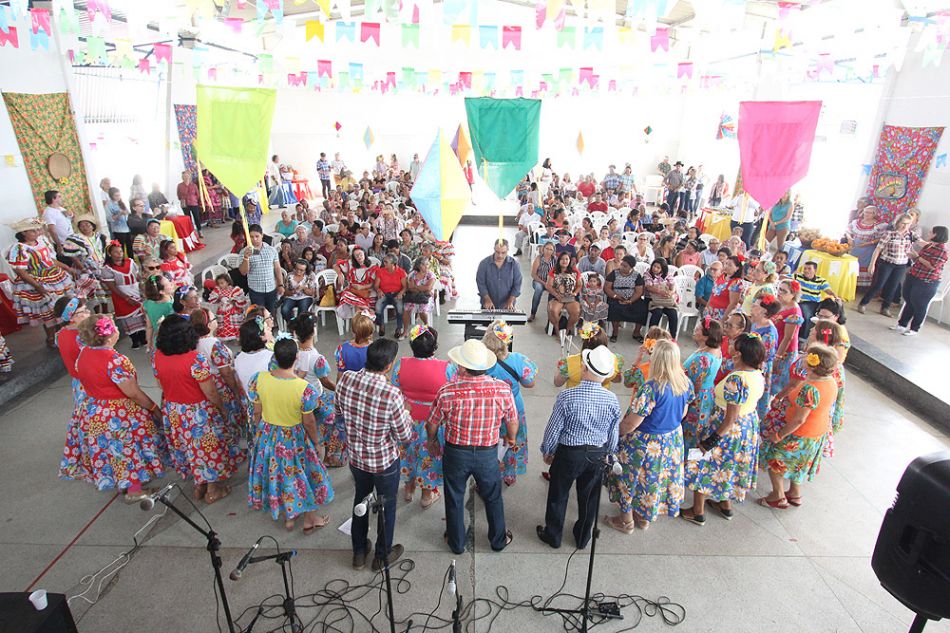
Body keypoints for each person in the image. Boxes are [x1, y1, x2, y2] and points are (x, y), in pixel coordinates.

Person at [59, 315, 166, 502]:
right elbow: (133, 393)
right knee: (128, 451)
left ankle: (124, 484)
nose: (118, 329)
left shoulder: (83, 354)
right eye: (115, 327)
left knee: (112, 451)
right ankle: (134, 491)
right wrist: (154, 408)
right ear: (109, 337)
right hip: (118, 414)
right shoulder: (115, 360)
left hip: (95, 410)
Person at [427, 339, 517, 555]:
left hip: (456, 453)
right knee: (493, 495)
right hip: (487, 454)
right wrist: (511, 437)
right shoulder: (502, 389)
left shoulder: (447, 391)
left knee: (455, 496)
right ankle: (498, 540)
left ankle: (456, 542)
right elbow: (512, 420)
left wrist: (432, 441)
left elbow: (432, 423)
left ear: (462, 366)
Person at [337, 339, 413, 571]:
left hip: (356, 458)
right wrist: (407, 414)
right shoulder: (392, 394)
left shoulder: (346, 380)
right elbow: (404, 435)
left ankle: (359, 552)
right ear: (389, 365)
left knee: (360, 499)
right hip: (384, 462)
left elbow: (339, 412)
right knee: (386, 506)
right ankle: (382, 555)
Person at [248, 335, 334, 532]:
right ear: (296, 358)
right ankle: (310, 520)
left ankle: (289, 516)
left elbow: (257, 412)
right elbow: (309, 422)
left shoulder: (258, 379)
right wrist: (316, 442)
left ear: (275, 358)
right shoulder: (304, 389)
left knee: (279, 475)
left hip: (268, 435)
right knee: (306, 476)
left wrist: (260, 432)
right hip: (293, 438)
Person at [537, 345, 620, 547]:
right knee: (589, 497)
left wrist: (548, 450)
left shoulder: (567, 396)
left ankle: (553, 535)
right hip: (597, 454)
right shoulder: (612, 399)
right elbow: (613, 433)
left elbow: (553, 428)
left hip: (569, 453)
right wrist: (610, 454)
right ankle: (582, 537)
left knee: (558, 494)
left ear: (584, 368)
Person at [606, 340, 692, 532]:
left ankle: (626, 521)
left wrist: (614, 433)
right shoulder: (685, 382)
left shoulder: (651, 388)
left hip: (645, 442)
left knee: (629, 479)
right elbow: (683, 412)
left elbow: (631, 423)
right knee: (653, 480)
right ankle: (644, 517)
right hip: (671, 440)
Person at [682, 333, 766, 525]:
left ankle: (697, 511)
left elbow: (731, 417)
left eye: (734, 345)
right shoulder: (757, 374)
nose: (730, 345)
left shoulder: (736, 380)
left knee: (703, 464)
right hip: (747, 425)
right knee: (728, 465)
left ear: (738, 353)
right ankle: (725, 505)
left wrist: (710, 441)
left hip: (726, 427)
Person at [153, 314, 238, 503]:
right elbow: (210, 392)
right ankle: (212, 489)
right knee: (207, 448)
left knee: (187, 447)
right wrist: (221, 408)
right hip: (197, 412)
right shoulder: (195, 359)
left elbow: (160, 384)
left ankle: (199, 484)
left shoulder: (156, 356)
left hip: (173, 410)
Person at [758, 343, 839, 509]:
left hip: (800, 433)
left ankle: (778, 496)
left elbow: (799, 420)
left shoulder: (810, 389)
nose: (802, 358)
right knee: (799, 463)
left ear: (813, 364)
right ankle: (794, 493)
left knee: (775, 460)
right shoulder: (831, 382)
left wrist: (779, 435)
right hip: (817, 433)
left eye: (806, 356)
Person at [391, 325, 454, 509]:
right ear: (434, 347)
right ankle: (426, 495)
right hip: (433, 423)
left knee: (407, 453)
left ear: (412, 345)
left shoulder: (401, 365)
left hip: (407, 420)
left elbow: (395, 389)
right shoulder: (446, 368)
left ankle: (408, 488)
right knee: (429, 457)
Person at [482, 321, 538, 487]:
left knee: (490, 442)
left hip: (488, 409)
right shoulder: (518, 359)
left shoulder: (481, 361)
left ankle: (488, 473)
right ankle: (509, 473)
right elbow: (530, 383)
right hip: (513, 408)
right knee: (512, 440)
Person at [7, 217, 75, 347]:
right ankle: (51, 338)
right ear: (23, 233)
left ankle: (63, 333)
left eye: (38, 229)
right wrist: (38, 286)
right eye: (33, 231)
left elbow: (50, 260)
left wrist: (66, 267)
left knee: (61, 306)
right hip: (36, 281)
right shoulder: (18, 248)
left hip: (55, 278)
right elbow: (20, 271)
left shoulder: (42, 242)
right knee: (47, 311)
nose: (37, 232)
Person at [192, 309, 245, 451]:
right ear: (209, 325)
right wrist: (235, 389)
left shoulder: (193, 343)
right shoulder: (214, 345)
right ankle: (234, 447)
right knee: (228, 414)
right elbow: (225, 372)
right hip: (220, 385)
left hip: (204, 383)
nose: (217, 320)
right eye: (214, 318)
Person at [857, 213, 915, 317]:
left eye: (908, 224)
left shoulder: (910, 235)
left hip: (901, 264)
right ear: (898, 223)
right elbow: (878, 249)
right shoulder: (889, 234)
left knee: (893, 286)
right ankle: (863, 303)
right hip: (886, 263)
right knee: (879, 284)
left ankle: (885, 307)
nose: (905, 226)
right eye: (903, 223)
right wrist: (872, 264)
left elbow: (922, 242)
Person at [893, 226, 948, 336]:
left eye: (931, 232)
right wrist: (913, 256)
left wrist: (917, 257)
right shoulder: (929, 246)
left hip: (927, 281)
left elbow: (933, 266)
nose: (929, 233)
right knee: (909, 300)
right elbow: (920, 260)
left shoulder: (942, 251)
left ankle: (914, 328)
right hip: (914, 275)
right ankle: (902, 325)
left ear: (937, 234)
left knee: (919, 304)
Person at [682, 318, 723, 449]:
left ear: (706, 336)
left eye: (699, 329)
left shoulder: (703, 359)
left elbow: (696, 384)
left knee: (689, 431)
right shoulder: (715, 350)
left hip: (697, 398)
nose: (695, 330)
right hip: (707, 395)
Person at [101, 241, 147, 349]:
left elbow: (137, 277)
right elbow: (112, 287)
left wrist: (143, 287)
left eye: (121, 251)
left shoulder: (130, 262)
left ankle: (143, 337)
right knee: (128, 318)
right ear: (110, 254)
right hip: (121, 296)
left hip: (136, 292)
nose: (119, 254)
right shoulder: (107, 269)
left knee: (140, 315)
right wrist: (126, 298)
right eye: (116, 252)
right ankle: (134, 340)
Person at [62, 213, 109, 311]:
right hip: (84, 269)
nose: (85, 227)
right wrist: (83, 268)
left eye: (87, 224)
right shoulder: (75, 238)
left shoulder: (100, 237)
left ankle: (106, 313)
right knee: (92, 292)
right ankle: (97, 313)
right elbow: (73, 256)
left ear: (93, 226)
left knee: (104, 292)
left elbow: (106, 251)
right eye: (82, 225)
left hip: (100, 267)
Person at [234, 312, 276, 421]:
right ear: (261, 337)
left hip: (249, 407)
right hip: (269, 408)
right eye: (266, 329)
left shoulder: (238, 358)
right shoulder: (271, 357)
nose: (270, 330)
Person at [240, 224, 283, 316]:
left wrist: (280, 284)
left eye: (257, 236)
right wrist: (246, 258)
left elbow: (277, 268)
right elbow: (243, 272)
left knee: (271, 315)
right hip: (256, 290)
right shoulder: (244, 252)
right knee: (259, 316)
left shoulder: (271, 250)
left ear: (262, 235)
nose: (254, 239)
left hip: (271, 289)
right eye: (251, 237)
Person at [770, 279, 804, 397]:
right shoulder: (781, 304)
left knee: (776, 384)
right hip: (775, 346)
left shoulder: (794, 312)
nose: (779, 293)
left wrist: (777, 357)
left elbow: (788, 338)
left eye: (784, 291)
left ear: (793, 294)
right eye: (779, 289)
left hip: (784, 352)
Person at [605, 255, 647, 343]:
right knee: (614, 307)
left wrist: (630, 300)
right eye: (621, 264)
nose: (622, 267)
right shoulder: (614, 273)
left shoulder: (637, 276)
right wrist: (616, 296)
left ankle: (636, 333)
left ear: (631, 267)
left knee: (642, 308)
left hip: (632, 299)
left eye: (625, 266)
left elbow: (639, 291)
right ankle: (615, 332)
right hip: (616, 297)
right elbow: (607, 288)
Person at [845, 205, 888, 288]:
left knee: (863, 266)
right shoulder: (856, 222)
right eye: (865, 212)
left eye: (869, 213)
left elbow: (882, 238)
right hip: (855, 248)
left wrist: (869, 243)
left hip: (868, 250)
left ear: (874, 214)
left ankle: (860, 287)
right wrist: (849, 238)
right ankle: (849, 284)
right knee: (852, 265)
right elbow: (848, 230)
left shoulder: (879, 225)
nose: (866, 214)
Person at [793, 261, 835, 341]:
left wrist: (834, 295)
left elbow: (827, 290)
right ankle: (803, 338)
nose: (806, 271)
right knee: (806, 315)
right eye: (805, 268)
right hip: (802, 302)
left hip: (816, 303)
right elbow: (784, 278)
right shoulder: (797, 276)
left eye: (809, 269)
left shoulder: (821, 280)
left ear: (815, 270)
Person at [476, 239, 521, 310]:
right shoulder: (484, 264)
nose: (500, 255)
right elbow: (481, 283)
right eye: (497, 252)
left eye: (503, 252)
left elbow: (517, 284)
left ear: (508, 250)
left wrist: (510, 301)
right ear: (494, 249)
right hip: (488, 305)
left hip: (507, 306)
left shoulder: (514, 264)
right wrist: (487, 299)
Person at [546, 252, 581, 338]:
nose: (564, 261)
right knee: (553, 310)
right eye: (562, 259)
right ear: (559, 261)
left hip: (570, 298)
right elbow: (548, 285)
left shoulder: (575, 271)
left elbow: (579, 285)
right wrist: (556, 294)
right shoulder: (554, 271)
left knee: (576, 311)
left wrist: (575, 293)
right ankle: (557, 330)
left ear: (569, 260)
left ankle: (567, 331)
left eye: (566, 259)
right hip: (557, 297)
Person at [336, 247, 375, 321]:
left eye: (360, 254)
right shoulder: (351, 266)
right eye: (356, 256)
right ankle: (366, 308)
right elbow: (336, 265)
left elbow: (374, 283)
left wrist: (361, 287)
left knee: (354, 304)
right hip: (354, 293)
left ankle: (364, 312)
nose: (359, 257)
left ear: (364, 254)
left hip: (367, 292)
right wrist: (339, 274)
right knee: (344, 295)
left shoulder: (372, 266)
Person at [643, 258, 679, 337]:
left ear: (662, 269)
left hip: (665, 300)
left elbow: (673, 285)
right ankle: (651, 337)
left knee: (673, 313)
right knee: (657, 312)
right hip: (651, 300)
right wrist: (660, 292)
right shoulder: (647, 274)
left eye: (658, 267)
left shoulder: (667, 275)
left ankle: (672, 337)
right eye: (654, 266)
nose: (655, 269)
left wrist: (670, 292)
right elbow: (648, 287)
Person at [374, 254, 407, 339]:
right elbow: (376, 285)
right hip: (384, 293)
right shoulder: (380, 271)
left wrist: (401, 293)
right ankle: (381, 325)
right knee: (378, 307)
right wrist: (378, 290)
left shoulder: (401, 272)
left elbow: (405, 286)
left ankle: (399, 328)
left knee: (400, 308)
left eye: (386, 262)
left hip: (396, 294)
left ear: (393, 263)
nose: (384, 263)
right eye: (384, 261)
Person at [703, 255, 744, 322]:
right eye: (726, 263)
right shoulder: (721, 276)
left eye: (730, 265)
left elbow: (733, 304)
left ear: (737, 268)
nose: (726, 266)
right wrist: (707, 307)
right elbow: (713, 294)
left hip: (722, 314)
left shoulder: (736, 283)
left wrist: (723, 320)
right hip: (711, 311)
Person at [402, 256, 436, 331]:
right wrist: (421, 288)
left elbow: (428, 288)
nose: (426, 266)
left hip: (426, 297)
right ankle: (405, 331)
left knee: (422, 310)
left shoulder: (431, 275)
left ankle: (427, 326)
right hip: (413, 295)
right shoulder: (413, 274)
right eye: (423, 264)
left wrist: (415, 286)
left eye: (427, 264)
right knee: (406, 309)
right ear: (418, 266)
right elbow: (410, 288)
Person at [142, 274, 174, 350]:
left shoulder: (148, 304)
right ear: (161, 291)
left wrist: (149, 342)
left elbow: (149, 326)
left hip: (158, 340)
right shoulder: (171, 306)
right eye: (168, 283)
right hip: (172, 340)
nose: (171, 283)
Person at [281, 259, 317, 326]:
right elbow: (285, 292)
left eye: (301, 270)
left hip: (305, 297)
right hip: (291, 297)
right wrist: (293, 291)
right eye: (297, 269)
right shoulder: (289, 275)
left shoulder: (310, 276)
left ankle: (298, 328)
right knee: (284, 310)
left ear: (305, 270)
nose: (298, 271)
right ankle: (293, 325)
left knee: (302, 311)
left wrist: (304, 288)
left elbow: (312, 293)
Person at [529, 242, 556, 323]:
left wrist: (549, 284)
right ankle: (533, 313)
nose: (548, 251)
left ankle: (550, 316)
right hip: (539, 280)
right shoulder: (539, 258)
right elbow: (533, 274)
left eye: (551, 249)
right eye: (547, 248)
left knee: (553, 293)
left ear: (553, 251)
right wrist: (544, 283)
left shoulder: (555, 260)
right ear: (543, 249)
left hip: (550, 282)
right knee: (538, 290)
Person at [43, 190, 74, 257]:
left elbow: (70, 222)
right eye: (59, 196)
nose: (62, 198)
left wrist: (71, 215)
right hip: (62, 243)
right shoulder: (49, 212)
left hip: (71, 240)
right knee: (68, 261)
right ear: (53, 199)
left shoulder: (61, 208)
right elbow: (51, 230)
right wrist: (59, 245)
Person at [177, 170, 203, 239]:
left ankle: (199, 231)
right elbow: (178, 195)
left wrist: (194, 199)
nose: (185, 177)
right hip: (185, 204)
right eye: (184, 176)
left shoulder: (193, 185)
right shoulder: (180, 185)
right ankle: (191, 232)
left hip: (193, 203)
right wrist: (182, 199)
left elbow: (197, 195)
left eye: (187, 176)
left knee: (196, 217)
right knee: (188, 219)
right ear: (182, 177)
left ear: (189, 177)